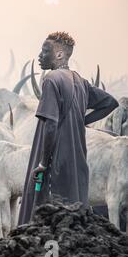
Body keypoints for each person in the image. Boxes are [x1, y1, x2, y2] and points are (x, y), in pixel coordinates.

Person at [18, 32, 119, 225]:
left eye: (45, 50)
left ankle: (46, 253)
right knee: (73, 217)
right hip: (76, 160)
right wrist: (81, 120)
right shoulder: (80, 81)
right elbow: (110, 102)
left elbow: (51, 125)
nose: (40, 55)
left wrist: (43, 164)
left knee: (43, 217)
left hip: (54, 160)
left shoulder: (52, 79)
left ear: (59, 55)